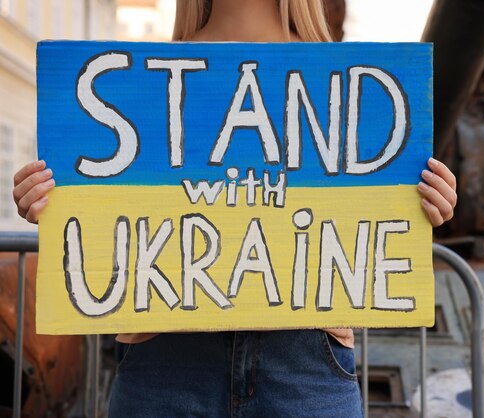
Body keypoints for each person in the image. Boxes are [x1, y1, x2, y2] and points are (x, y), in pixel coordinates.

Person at [13, 0, 457, 416]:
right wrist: (50, 202)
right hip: (163, 362)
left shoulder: (351, 85)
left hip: (304, 364)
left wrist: (427, 202)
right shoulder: (137, 81)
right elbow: (100, 222)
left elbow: (379, 210)